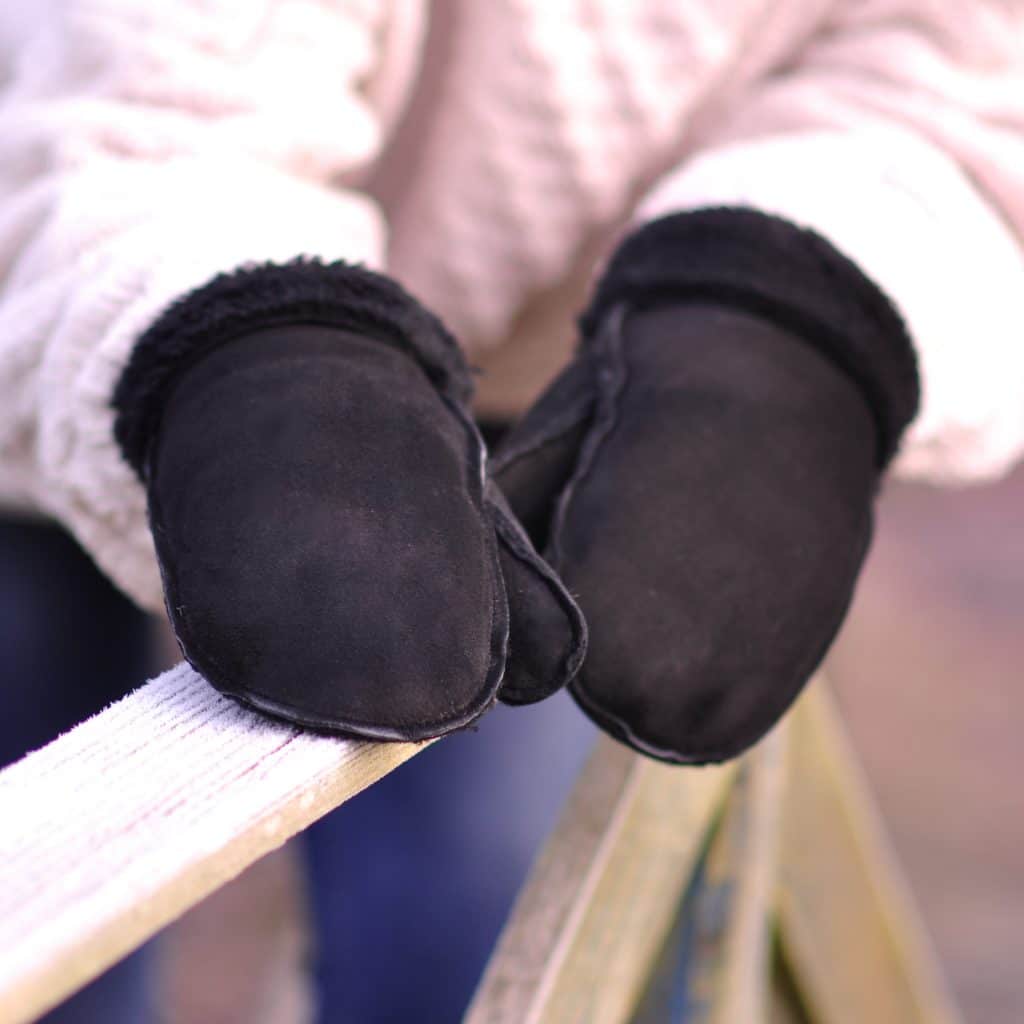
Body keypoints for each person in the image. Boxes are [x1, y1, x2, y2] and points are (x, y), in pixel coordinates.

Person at [2, 1, 1023, 1019]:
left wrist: (788, 310)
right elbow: (154, 94)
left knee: (493, 916)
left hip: (538, 373)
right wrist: (249, 349)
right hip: (88, 255)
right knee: (37, 895)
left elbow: (965, 63)